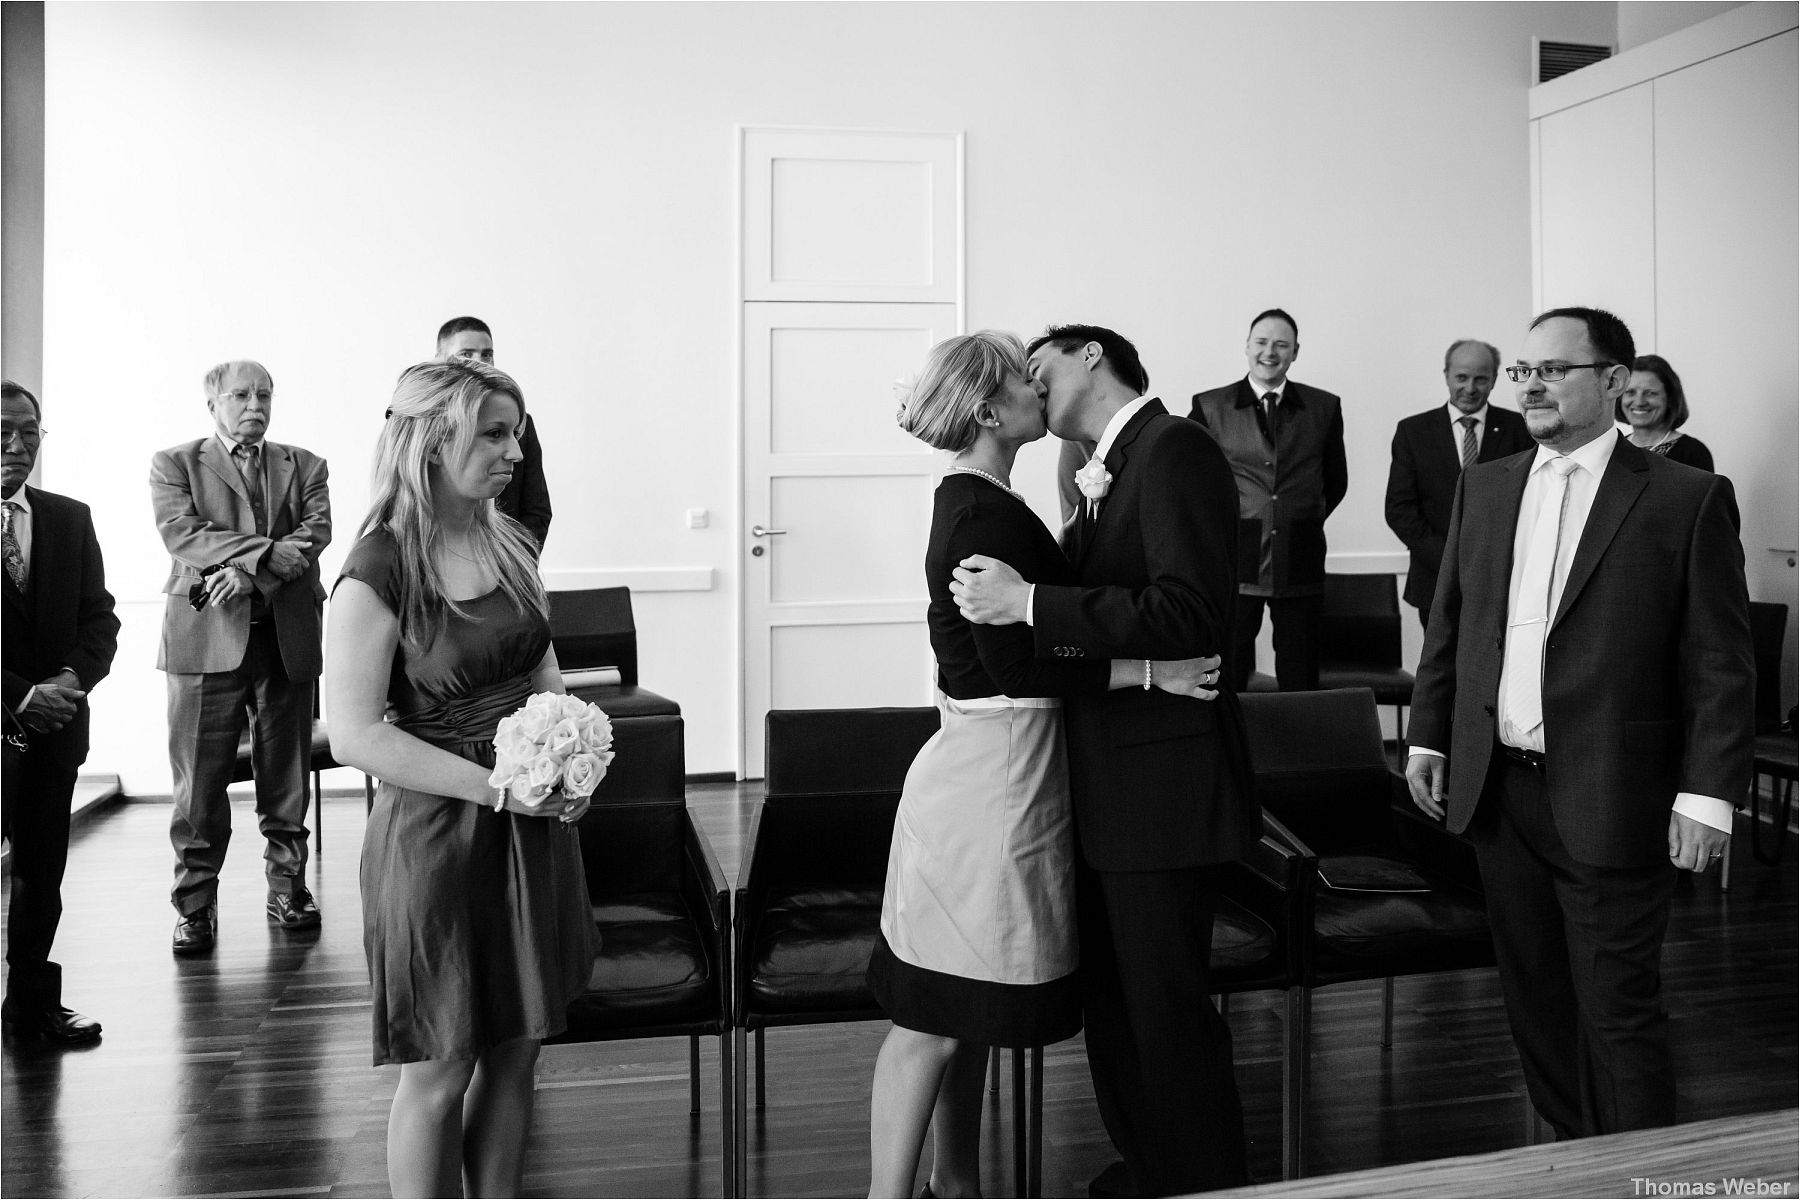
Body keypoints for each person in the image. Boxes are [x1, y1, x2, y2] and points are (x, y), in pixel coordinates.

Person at [867, 331, 1223, 1199]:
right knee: (938, 1011)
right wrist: (1150, 670)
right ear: (990, 411)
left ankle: (957, 1183)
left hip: (1018, 770)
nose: (1036, 386)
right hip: (990, 780)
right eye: (1020, 380)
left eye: (1043, 367)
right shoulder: (979, 512)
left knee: (967, 1003)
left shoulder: (992, 496)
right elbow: (1016, 666)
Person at [1405, 307, 1753, 1139]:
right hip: (1499, 793)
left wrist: (1707, 798)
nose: (1530, 385)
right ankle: (1572, 1161)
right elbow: (1454, 624)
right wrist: (1429, 734)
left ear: (1614, 382)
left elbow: (1720, 662)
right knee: (1536, 1006)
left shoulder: (1687, 498)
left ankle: (1641, 1179)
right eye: (1524, 370)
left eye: (1553, 370)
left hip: (1615, 794)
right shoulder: (1485, 487)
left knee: (1618, 1011)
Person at [953, 325, 1258, 1195]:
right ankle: (1149, 1167)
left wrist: (1031, 602)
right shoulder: (1094, 472)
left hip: (1163, 785)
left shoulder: (1176, 448)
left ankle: (1205, 1181)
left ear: (1091, 354)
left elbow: (1190, 613)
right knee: (1118, 1009)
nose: (1027, 382)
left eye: (1036, 362)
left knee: (1165, 1014)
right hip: (1107, 783)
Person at [325, 358, 595, 1197]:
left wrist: (575, 749)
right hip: (436, 843)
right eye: (495, 432)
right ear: (432, 441)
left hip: (531, 828)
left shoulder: (505, 539)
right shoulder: (377, 569)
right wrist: (497, 789)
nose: (516, 451)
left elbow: (542, 668)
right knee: (439, 1072)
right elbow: (357, 736)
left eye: (517, 431)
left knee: (518, 1054)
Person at [151, 360, 331, 954]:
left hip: (285, 637)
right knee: (198, 786)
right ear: (213, 404)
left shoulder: (305, 464)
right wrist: (260, 556)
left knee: (286, 779)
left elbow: (316, 533)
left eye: (265, 394)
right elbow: (185, 535)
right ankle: (195, 906)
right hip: (204, 640)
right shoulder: (174, 463)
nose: (255, 404)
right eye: (241, 395)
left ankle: (288, 888)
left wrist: (251, 577)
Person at [0, 381, 119, 1044]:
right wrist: (20, 695)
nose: (17, 447)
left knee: (42, 880)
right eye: (2, 432)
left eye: (29, 433)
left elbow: (99, 619)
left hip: (55, 732)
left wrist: (69, 683)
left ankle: (32, 1009)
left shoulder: (70, 518)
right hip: (8, 720)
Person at [1191, 308, 1346, 691]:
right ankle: (1234, 748)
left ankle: (1300, 748)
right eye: (1262, 342)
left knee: (1300, 668)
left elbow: (1336, 480)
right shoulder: (1210, 406)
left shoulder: (1324, 407)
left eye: (1282, 344)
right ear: (1247, 346)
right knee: (1230, 665)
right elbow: (1194, 481)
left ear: (1296, 351)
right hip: (1236, 553)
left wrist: (1300, 513)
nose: (1270, 352)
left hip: (1302, 551)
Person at [1384, 339, 1533, 628]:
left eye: (1481, 379)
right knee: (1441, 670)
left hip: (1502, 579)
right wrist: (1453, 561)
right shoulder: (1413, 431)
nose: (1470, 388)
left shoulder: (1520, 429)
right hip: (1435, 578)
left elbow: (1530, 502)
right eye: (1461, 378)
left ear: (1493, 380)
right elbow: (1400, 510)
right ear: (1446, 376)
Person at [437, 317, 553, 549]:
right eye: (466, 354)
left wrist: (514, 569)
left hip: (507, 562)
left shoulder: (521, 422)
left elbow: (536, 511)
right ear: (441, 360)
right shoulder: (424, 423)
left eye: (487, 354)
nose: (480, 362)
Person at [1620, 354, 1714, 471]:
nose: (1639, 402)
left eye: (1651, 393)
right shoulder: (1614, 450)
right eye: (1630, 392)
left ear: (1670, 398)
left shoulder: (1693, 453)